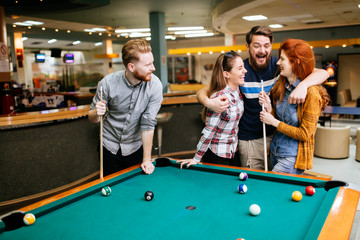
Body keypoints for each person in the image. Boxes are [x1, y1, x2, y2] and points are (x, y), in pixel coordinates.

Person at [196, 26, 329, 170]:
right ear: (248, 46)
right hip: (249, 140)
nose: (262, 50)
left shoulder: (279, 66)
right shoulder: (240, 70)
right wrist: (209, 103)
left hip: (275, 137)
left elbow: (323, 73)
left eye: (266, 46)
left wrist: (303, 85)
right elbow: (205, 90)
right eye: (256, 46)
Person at [88, 39, 163, 176]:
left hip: (135, 146)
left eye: (152, 62)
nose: (153, 68)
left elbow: (148, 123)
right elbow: (93, 118)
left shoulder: (155, 86)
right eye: (148, 65)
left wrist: (147, 159)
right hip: (108, 145)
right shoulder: (107, 83)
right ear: (131, 67)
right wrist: (96, 113)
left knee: (135, 188)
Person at [259, 38, 330, 174]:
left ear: (296, 62)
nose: (278, 63)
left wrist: (274, 122)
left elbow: (305, 134)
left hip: (292, 158)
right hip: (274, 151)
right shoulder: (282, 86)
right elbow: (282, 119)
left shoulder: (312, 94)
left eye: (282, 59)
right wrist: (269, 108)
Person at [179, 50, 246, 169]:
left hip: (232, 151)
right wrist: (196, 158)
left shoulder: (238, 92)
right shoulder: (219, 98)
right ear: (227, 74)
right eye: (240, 68)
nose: (245, 71)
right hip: (217, 154)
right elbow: (209, 131)